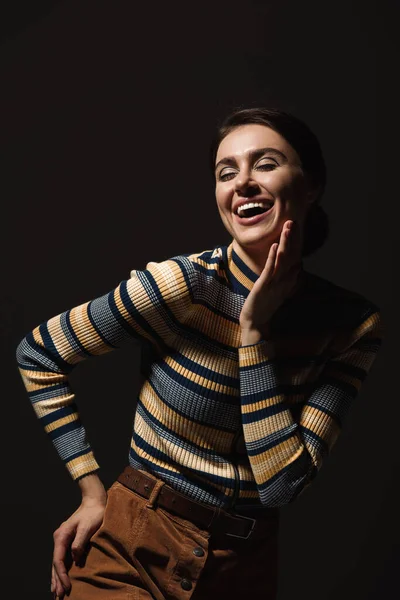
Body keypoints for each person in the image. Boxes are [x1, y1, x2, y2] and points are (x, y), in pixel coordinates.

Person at [16, 107, 383, 600]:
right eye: (226, 172)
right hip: (131, 545)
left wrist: (253, 336)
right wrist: (90, 489)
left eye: (266, 164)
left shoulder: (351, 326)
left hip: (244, 569)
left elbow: (280, 488)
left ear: (312, 184)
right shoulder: (180, 288)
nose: (243, 183)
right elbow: (39, 353)